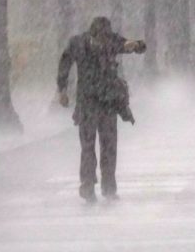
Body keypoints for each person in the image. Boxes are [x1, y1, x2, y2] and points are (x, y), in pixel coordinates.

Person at [57, 17, 146, 202]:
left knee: (109, 147)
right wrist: (62, 89)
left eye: (106, 40)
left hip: (107, 102)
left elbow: (132, 46)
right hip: (87, 103)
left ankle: (108, 188)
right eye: (100, 40)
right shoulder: (78, 44)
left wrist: (136, 45)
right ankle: (87, 186)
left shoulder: (111, 41)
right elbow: (65, 63)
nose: (104, 45)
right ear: (92, 35)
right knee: (88, 148)